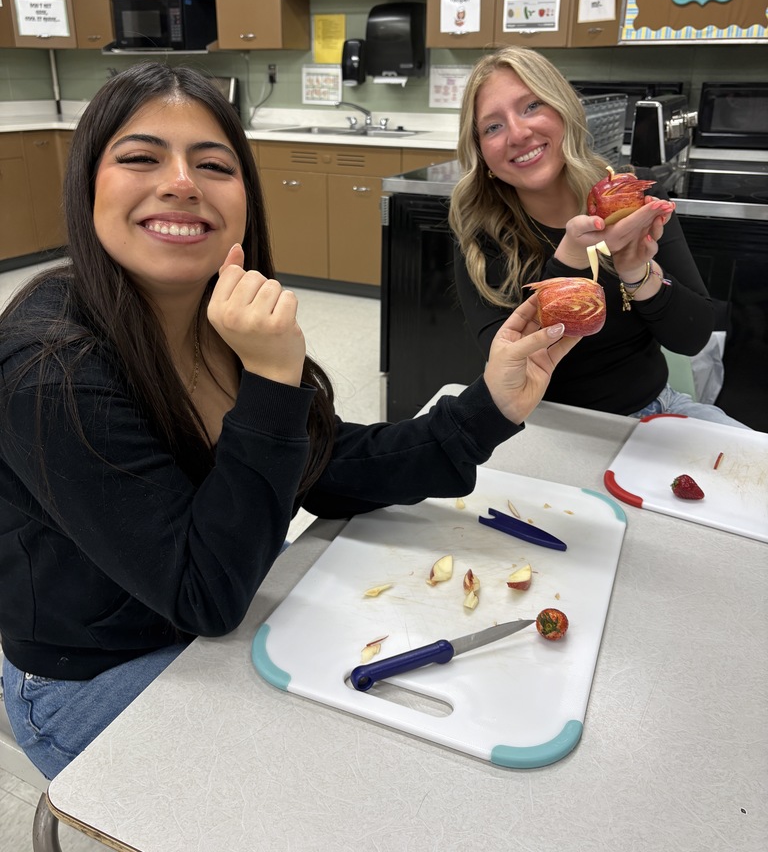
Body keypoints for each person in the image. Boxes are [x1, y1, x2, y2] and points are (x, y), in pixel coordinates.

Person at [0, 62, 580, 780]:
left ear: (245, 199)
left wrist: (485, 410)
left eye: (213, 164)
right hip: (92, 677)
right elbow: (206, 593)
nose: (181, 181)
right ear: (88, 183)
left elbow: (322, 464)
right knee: (343, 771)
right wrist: (272, 381)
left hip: (213, 627)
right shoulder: (47, 369)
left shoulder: (222, 318)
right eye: (142, 157)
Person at [449, 46, 748, 428]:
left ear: (564, 111)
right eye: (493, 126)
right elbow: (513, 365)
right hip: (537, 424)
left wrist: (638, 273)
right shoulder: (479, 233)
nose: (518, 133)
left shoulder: (632, 196)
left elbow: (692, 337)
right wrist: (570, 259)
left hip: (651, 414)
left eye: (531, 107)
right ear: (480, 152)